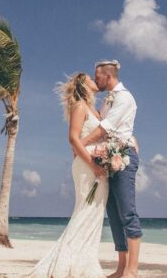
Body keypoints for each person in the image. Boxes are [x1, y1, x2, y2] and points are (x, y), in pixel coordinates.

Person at [28, 72, 109, 278]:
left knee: (95, 213)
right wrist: (93, 165)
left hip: (98, 167)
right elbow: (73, 139)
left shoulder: (97, 110)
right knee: (84, 210)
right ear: (83, 84)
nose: (94, 80)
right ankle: (66, 263)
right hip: (87, 167)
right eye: (91, 78)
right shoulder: (79, 106)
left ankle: (84, 260)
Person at [81, 60, 141, 278]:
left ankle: (132, 270)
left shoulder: (124, 97)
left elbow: (105, 128)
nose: (96, 80)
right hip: (110, 157)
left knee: (127, 212)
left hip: (123, 158)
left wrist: (80, 144)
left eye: (97, 77)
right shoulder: (107, 101)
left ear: (108, 76)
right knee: (114, 215)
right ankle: (121, 267)